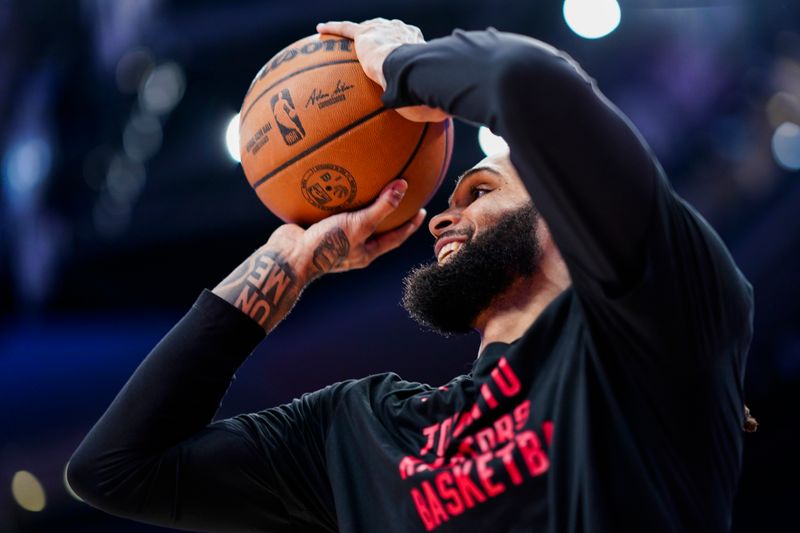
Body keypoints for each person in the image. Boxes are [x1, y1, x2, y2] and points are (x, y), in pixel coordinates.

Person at [67, 19, 755, 532]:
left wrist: (401, 63)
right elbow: (115, 467)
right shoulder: (365, 431)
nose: (439, 217)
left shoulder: (658, 313)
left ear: (569, 207)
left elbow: (528, 80)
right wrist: (290, 261)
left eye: (478, 190)